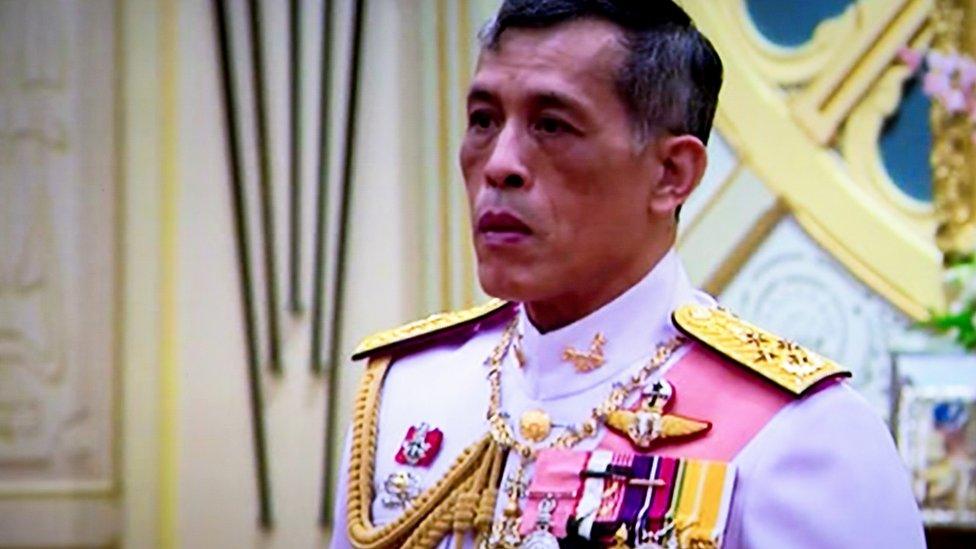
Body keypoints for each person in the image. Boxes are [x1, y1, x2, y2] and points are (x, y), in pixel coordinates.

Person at [331, 1, 925, 547]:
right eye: (483, 119)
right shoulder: (409, 390)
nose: (501, 164)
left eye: (552, 125)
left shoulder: (803, 435)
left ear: (672, 173)